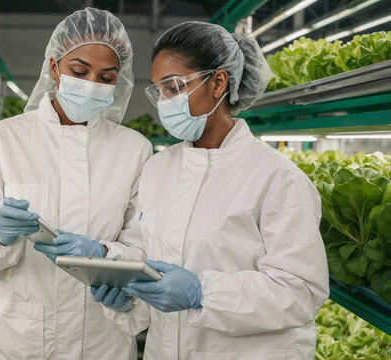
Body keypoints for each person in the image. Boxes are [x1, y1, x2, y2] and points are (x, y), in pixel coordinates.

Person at [91, 22, 329, 360]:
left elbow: (300, 292)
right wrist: (124, 292)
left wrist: (203, 292)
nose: (163, 102)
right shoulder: (158, 170)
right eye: (158, 90)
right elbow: (146, 258)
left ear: (218, 82)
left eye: (173, 87)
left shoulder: (276, 177)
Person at [0, 8, 152, 359]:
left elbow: (145, 242)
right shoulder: (4, 138)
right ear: (54, 68)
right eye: (79, 71)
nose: (91, 85)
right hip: (13, 341)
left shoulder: (134, 149)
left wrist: (106, 257)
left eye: (106, 77)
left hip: (99, 342)